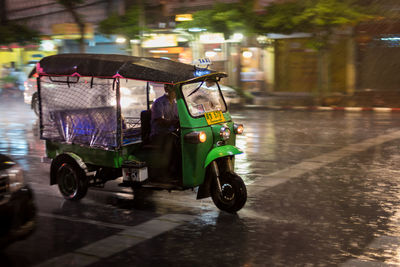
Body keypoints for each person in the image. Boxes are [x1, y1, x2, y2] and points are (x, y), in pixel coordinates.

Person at [150, 84, 180, 178]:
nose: (175, 94)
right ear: (168, 91)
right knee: (172, 141)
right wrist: (173, 122)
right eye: (174, 91)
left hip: (171, 132)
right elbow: (159, 121)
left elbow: (178, 118)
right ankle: (166, 170)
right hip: (159, 133)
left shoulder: (175, 104)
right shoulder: (159, 102)